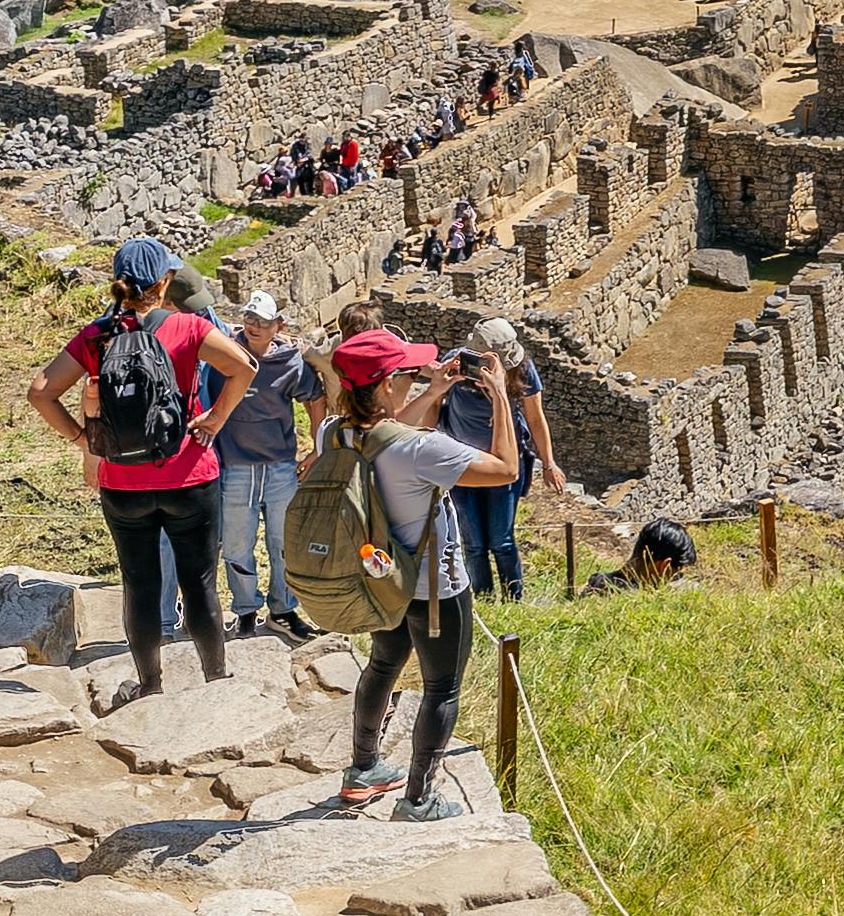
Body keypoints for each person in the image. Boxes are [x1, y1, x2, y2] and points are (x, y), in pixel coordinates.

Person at [29, 236, 235, 716]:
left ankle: (151, 684)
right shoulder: (188, 326)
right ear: (164, 282)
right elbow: (244, 366)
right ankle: (218, 680)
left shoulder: (97, 335)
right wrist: (216, 418)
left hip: (123, 482)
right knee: (199, 582)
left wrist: (85, 440)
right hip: (189, 472)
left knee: (140, 585)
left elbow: (41, 392)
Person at [320, 331, 516, 821]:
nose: (415, 378)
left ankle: (363, 768)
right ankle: (419, 798)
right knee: (442, 688)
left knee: (383, 665)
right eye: (407, 374)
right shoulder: (424, 449)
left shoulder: (334, 433)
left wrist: (430, 392)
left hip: (380, 579)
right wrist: (500, 396)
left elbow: (381, 434)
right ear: (385, 386)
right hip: (434, 588)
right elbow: (506, 469)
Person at [210, 292, 322, 643]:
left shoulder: (290, 361)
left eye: (263, 320)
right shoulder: (226, 353)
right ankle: (245, 611)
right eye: (250, 318)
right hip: (236, 466)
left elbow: (314, 398)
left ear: (279, 325)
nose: (255, 326)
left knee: (284, 544)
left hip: (279, 467)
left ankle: (283, 610)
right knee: (238, 546)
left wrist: (317, 448)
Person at [452, 322, 568, 601]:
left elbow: (535, 418)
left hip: (504, 465)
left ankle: (514, 598)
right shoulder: (455, 364)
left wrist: (549, 463)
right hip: (462, 463)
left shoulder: (522, 370)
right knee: (474, 543)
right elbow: (435, 401)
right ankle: (483, 597)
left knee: (501, 540)